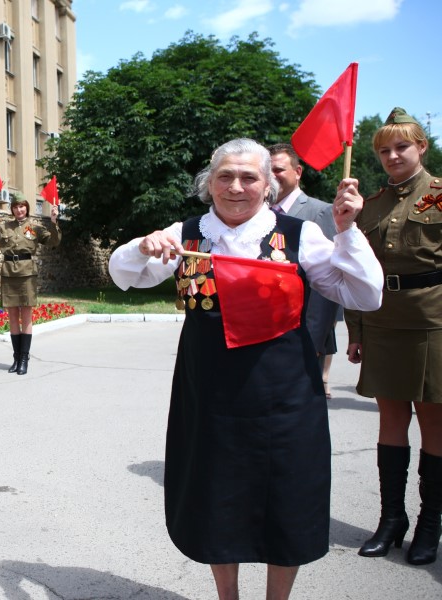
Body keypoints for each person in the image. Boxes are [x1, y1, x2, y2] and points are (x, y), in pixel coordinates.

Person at [108, 138, 383, 600]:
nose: (236, 187)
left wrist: (348, 232)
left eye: (249, 177)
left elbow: (364, 295)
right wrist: (142, 245)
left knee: (287, 502)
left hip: (286, 397)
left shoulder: (299, 234)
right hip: (209, 396)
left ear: (269, 184)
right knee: (218, 502)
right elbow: (124, 274)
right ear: (209, 183)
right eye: (225, 177)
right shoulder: (187, 233)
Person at [345, 107, 442, 565]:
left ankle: (429, 524)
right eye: (384, 150)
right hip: (382, 319)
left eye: (401, 146)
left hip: (432, 322)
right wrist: (357, 329)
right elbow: (357, 271)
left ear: (421, 147)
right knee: (390, 423)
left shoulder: (441, 196)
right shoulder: (374, 204)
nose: (392, 155)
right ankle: (391, 519)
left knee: (434, 425)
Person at [269, 143, 340, 398]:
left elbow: (326, 282)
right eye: (267, 169)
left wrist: (315, 337)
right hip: (265, 330)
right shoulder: (257, 213)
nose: (272, 175)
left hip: (303, 334)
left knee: (298, 407)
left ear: (298, 172)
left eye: (278, 169)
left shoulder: (320, 211)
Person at [0, 194, 61, 374]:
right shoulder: (5, 227)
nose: (19, 210)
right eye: (16, 207)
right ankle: (16, 358)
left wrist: (54, 221)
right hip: (9, 271)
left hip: (26, 272)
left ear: (27, 208)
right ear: (12, 210)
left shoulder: (35, 228)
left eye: (22, 206)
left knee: (26, 315)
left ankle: (24, 358)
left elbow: (53, 241)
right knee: (12, 315)